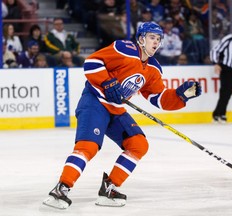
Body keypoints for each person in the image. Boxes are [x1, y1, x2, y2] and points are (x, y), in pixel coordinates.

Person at [43, 22, 201, 209]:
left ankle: (109, 188)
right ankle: (61, 188)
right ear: (141, 39)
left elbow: (159, 98)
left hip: (116, 109)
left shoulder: (154, 68)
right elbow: (92, 62)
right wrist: (107, 82)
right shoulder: (124, 49)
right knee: (89, 146)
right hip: (95, 102)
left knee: (138, 144)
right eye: (152, 37)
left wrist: (180, 96)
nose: (156, 42)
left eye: (159, 39)